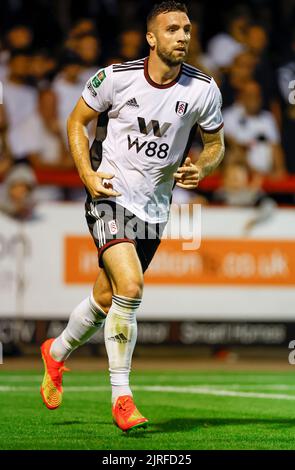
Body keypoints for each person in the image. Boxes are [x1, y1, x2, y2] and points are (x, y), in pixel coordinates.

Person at [40, 1, 225, 432]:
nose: (182, 36)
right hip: (109, 194)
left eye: (187, 29)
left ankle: (56, 351)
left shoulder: (203, 90)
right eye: (173, 29)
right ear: (151, 38)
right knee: (131, 285)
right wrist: (87, 174)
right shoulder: (116, 78)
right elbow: (76, 121)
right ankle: (122, 397)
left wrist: (205, 166)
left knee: (107, 298)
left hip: (155, 209)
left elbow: (215, 144)